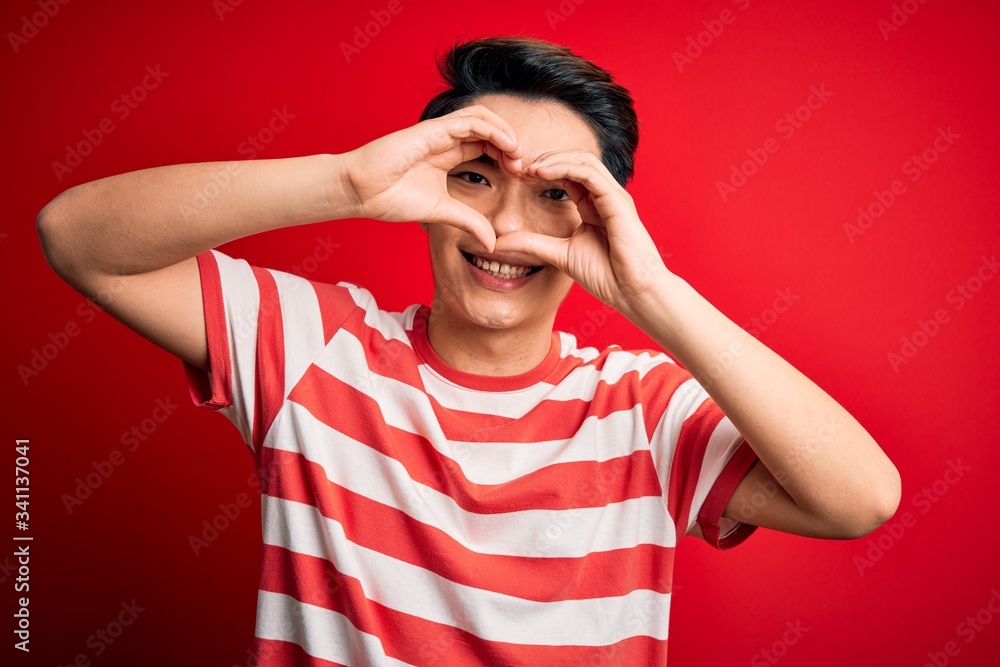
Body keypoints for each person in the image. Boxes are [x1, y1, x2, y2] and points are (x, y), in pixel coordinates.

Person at [37, 35, 900, 666]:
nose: (508, 229)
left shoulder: (642, 408)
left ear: (601, 217)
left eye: (556, 194)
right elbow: (76, 237)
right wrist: (346, 182)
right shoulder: (315, 348)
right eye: (476, 176)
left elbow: (859, 497)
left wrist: (650, 291)